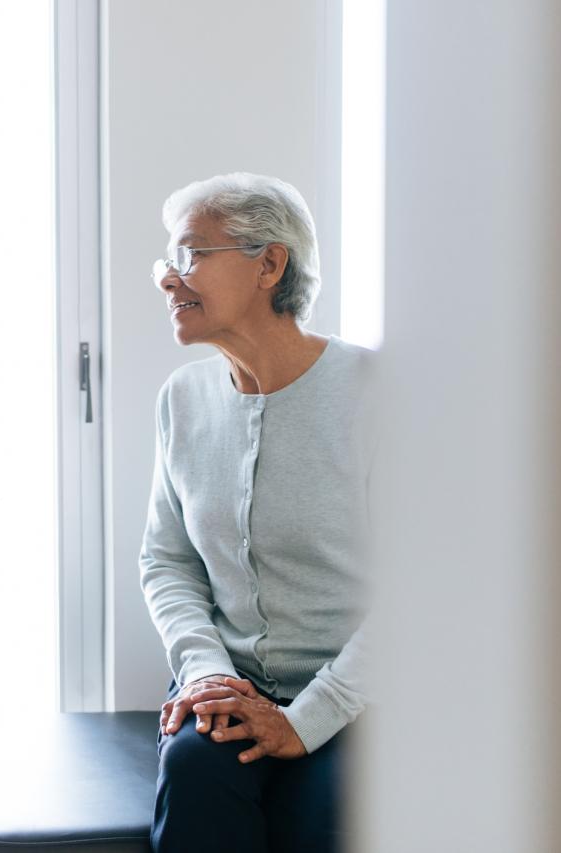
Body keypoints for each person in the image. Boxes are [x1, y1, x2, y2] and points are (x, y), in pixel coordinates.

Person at [140, 173, 374, 853]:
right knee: (193, 773)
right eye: (167, 260)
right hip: (226, 685)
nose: (167, 280)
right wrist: (205, 669)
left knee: (325, 812)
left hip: (358, 695)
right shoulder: (182, 399)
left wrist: (308, 719)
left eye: (191, 255)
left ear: (270, 264)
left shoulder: (379, 393)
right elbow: (167, 558)